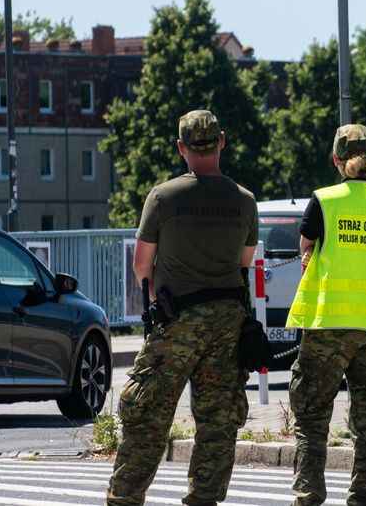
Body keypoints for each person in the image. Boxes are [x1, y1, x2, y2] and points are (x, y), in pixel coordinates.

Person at [106, 110, 258, 506]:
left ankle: (124, 499)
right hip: (227, 321)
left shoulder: (163, 196)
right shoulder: (245, 201)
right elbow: (243, 264)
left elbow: (142, 266)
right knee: (218, 423)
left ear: (181, 148)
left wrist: (161, 305)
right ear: (221, 141)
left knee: (147, 417)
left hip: (176, 319)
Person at [287, 124, 366, 506]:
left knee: (311, 416)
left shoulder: (324, 200)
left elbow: (306, 248)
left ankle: (309, 495)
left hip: (328, 325)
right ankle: (361, 498)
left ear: (336, 159)